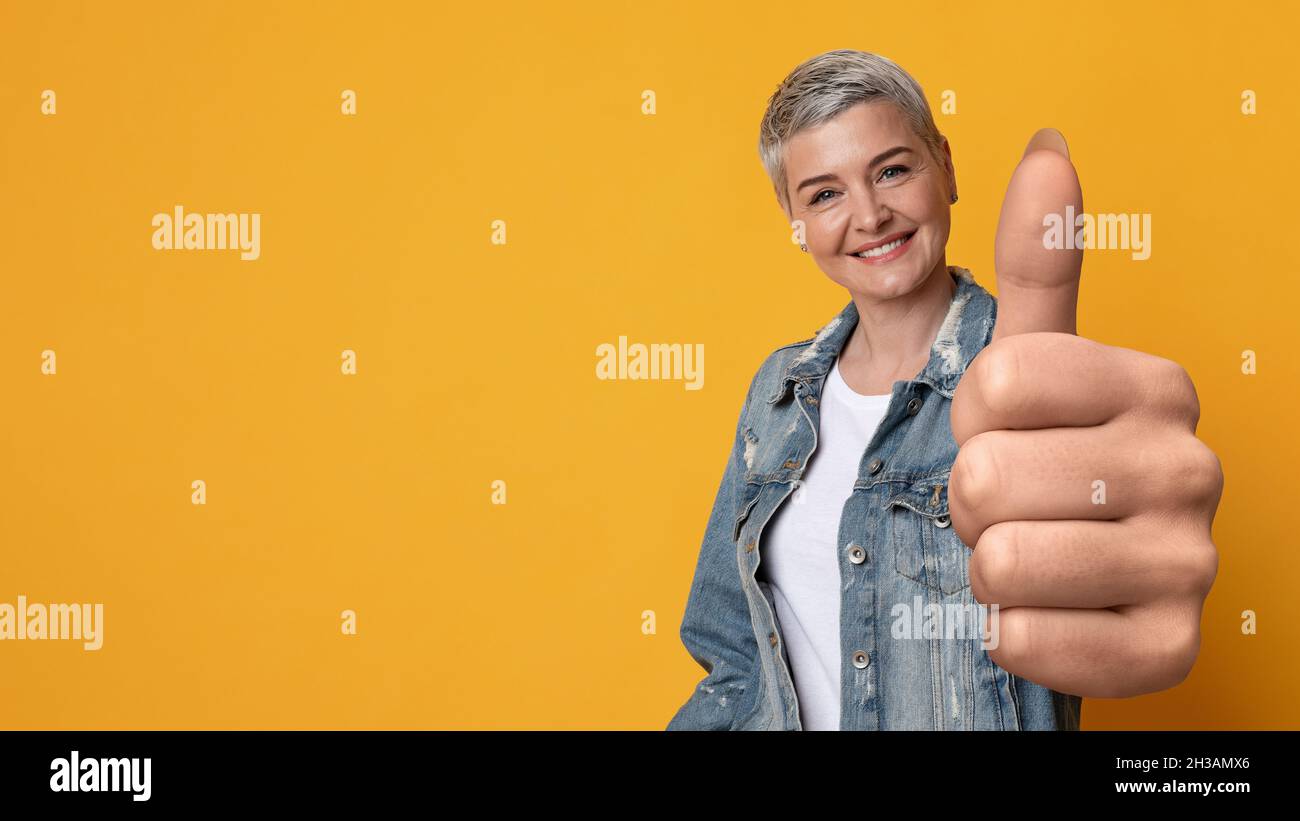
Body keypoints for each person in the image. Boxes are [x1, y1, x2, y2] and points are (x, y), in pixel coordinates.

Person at [667, 49, 1222, 730]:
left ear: (947, 168)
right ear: (795, 220)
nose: (869, 215)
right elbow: (730, 649)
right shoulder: (776, 392)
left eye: (893, 170)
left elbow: (1094, 592)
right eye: (825, 194)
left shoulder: (1028, 385)